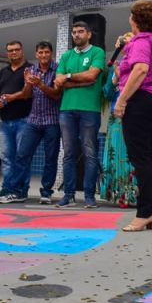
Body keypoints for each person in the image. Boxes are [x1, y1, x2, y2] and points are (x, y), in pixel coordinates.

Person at [115, 0, 152, 231]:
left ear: (135, 19)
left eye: (131, 16)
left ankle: (144, 212)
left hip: (142, 100)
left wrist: (121, 101)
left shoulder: (141, 40)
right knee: (148, 157)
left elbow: (140, 70)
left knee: (140, 157)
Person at [54, 21, 105, 208]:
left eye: (80, 31)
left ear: (89, 34)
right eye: (74, 32)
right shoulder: (66, 55)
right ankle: (68, 195)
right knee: (68, 154)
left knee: (90, 153)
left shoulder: (97, 52)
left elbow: (92, 77)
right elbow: (58, 82)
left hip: (89, 110)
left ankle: (90, 196)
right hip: (66, 110)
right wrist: (79, 80)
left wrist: (68, 77)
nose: (76, 35)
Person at [9, 40, 62, 205]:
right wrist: (29, 84)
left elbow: (56, 95)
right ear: (36, 54)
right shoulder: (31, 70)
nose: (43, 55)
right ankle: (18, 192)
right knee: (22, 155)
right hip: (33, 120)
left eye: (46, 52)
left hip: (52, 121)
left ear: (51, 53)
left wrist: (40, 83)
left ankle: (46, 192)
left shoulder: (58, 69)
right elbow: (26, 95)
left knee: (50, 158)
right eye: (40, 52)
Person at [100, 32, 138, 207]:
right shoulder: (117, 64)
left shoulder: (139, 65)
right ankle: (117, 194)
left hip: (134, 114)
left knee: (132, 156)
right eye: (122, 45)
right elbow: (107, 93)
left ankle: (133, 195)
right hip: (116, 118)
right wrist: (115, 78)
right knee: (115, 154)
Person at [0, 41, 32, 201]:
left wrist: (11, 97)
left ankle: (21, 190)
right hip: (5, 121)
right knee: (6, 157)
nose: (13, 53)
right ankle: (6, 188)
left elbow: (29, 93)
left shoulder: (29, 69)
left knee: (22, 157)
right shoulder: (3, 71)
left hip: (24, 120)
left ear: (22, 51)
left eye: (16, 50)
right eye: (10, 51)